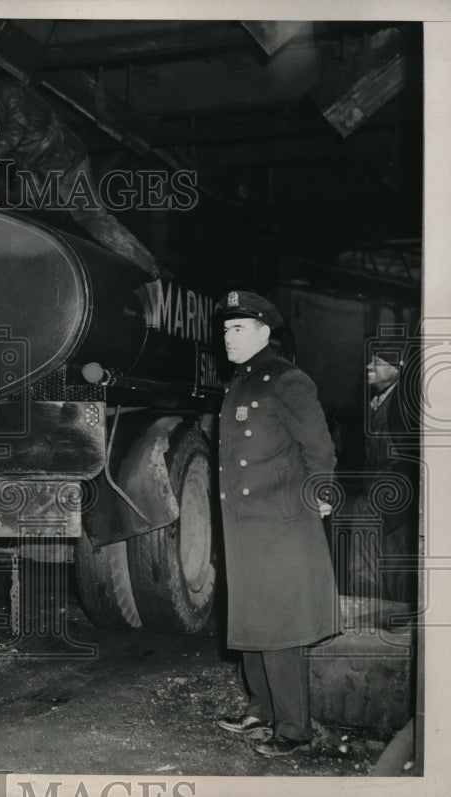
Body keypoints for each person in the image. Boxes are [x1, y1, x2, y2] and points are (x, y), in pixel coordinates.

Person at [215, 290, 340, 757]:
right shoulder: (240, 381)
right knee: (250, 617)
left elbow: (319, 448)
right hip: (246, 523)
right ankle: (260, 711)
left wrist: (322, 495)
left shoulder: (287, 380)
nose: (229, 337)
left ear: (265, 333)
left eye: (239, 329)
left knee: (281, 625)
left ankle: (294, 728)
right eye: (226, 329)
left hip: (281, 521)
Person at [0, 57, 161, 278]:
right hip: (35, 172)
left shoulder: (12, 92)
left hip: (65, 162)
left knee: (92, 219)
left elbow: (15, 131)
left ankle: (150, 267)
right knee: (31, 221)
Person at [346, 347, 418, 602]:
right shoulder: (379, 402)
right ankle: (388, 608)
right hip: (386, 490)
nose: (369, 366)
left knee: (366, 516)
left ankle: (366, 595)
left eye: (377, 362)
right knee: (394, 554)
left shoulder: (404, 401)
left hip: (397, 489)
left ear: (397, 368)